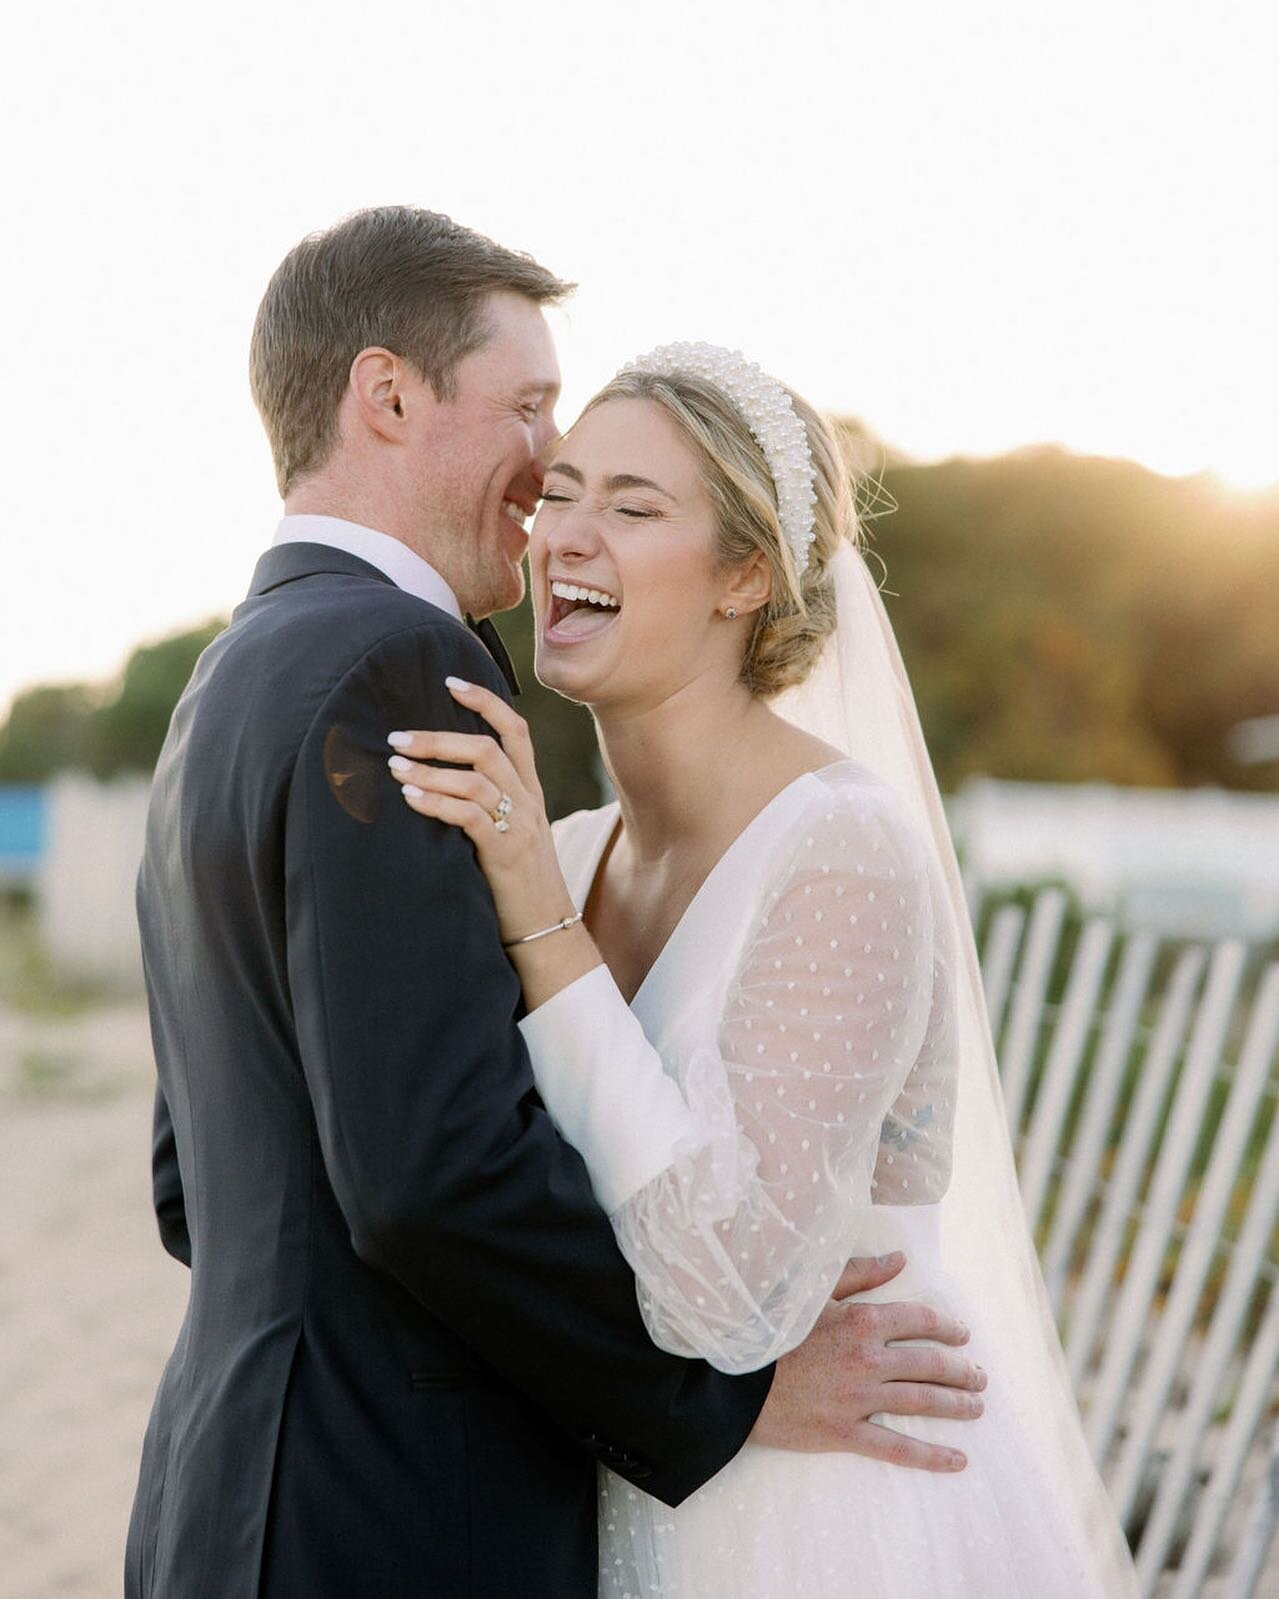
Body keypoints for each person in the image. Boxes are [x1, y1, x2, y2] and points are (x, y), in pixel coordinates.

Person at [125, 212, 988, 1599]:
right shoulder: (397, 670)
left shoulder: (234, 680)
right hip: (399, 1517)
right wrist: (717, 1400)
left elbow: (200, 1184)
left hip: (239, 1490)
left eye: (624, 498)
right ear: (388, 394)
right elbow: (426, 1175)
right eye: (532, 417)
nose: (544, 501)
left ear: (747, 570)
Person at [387, 342, 1142, 1596]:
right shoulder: (567, 857)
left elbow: (723, 1301)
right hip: (625, 1495)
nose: (568, 534)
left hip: (826, 1519)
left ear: (746, 573)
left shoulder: (839, 852)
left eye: (633, 508)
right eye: (561, 490)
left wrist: (535, 922)